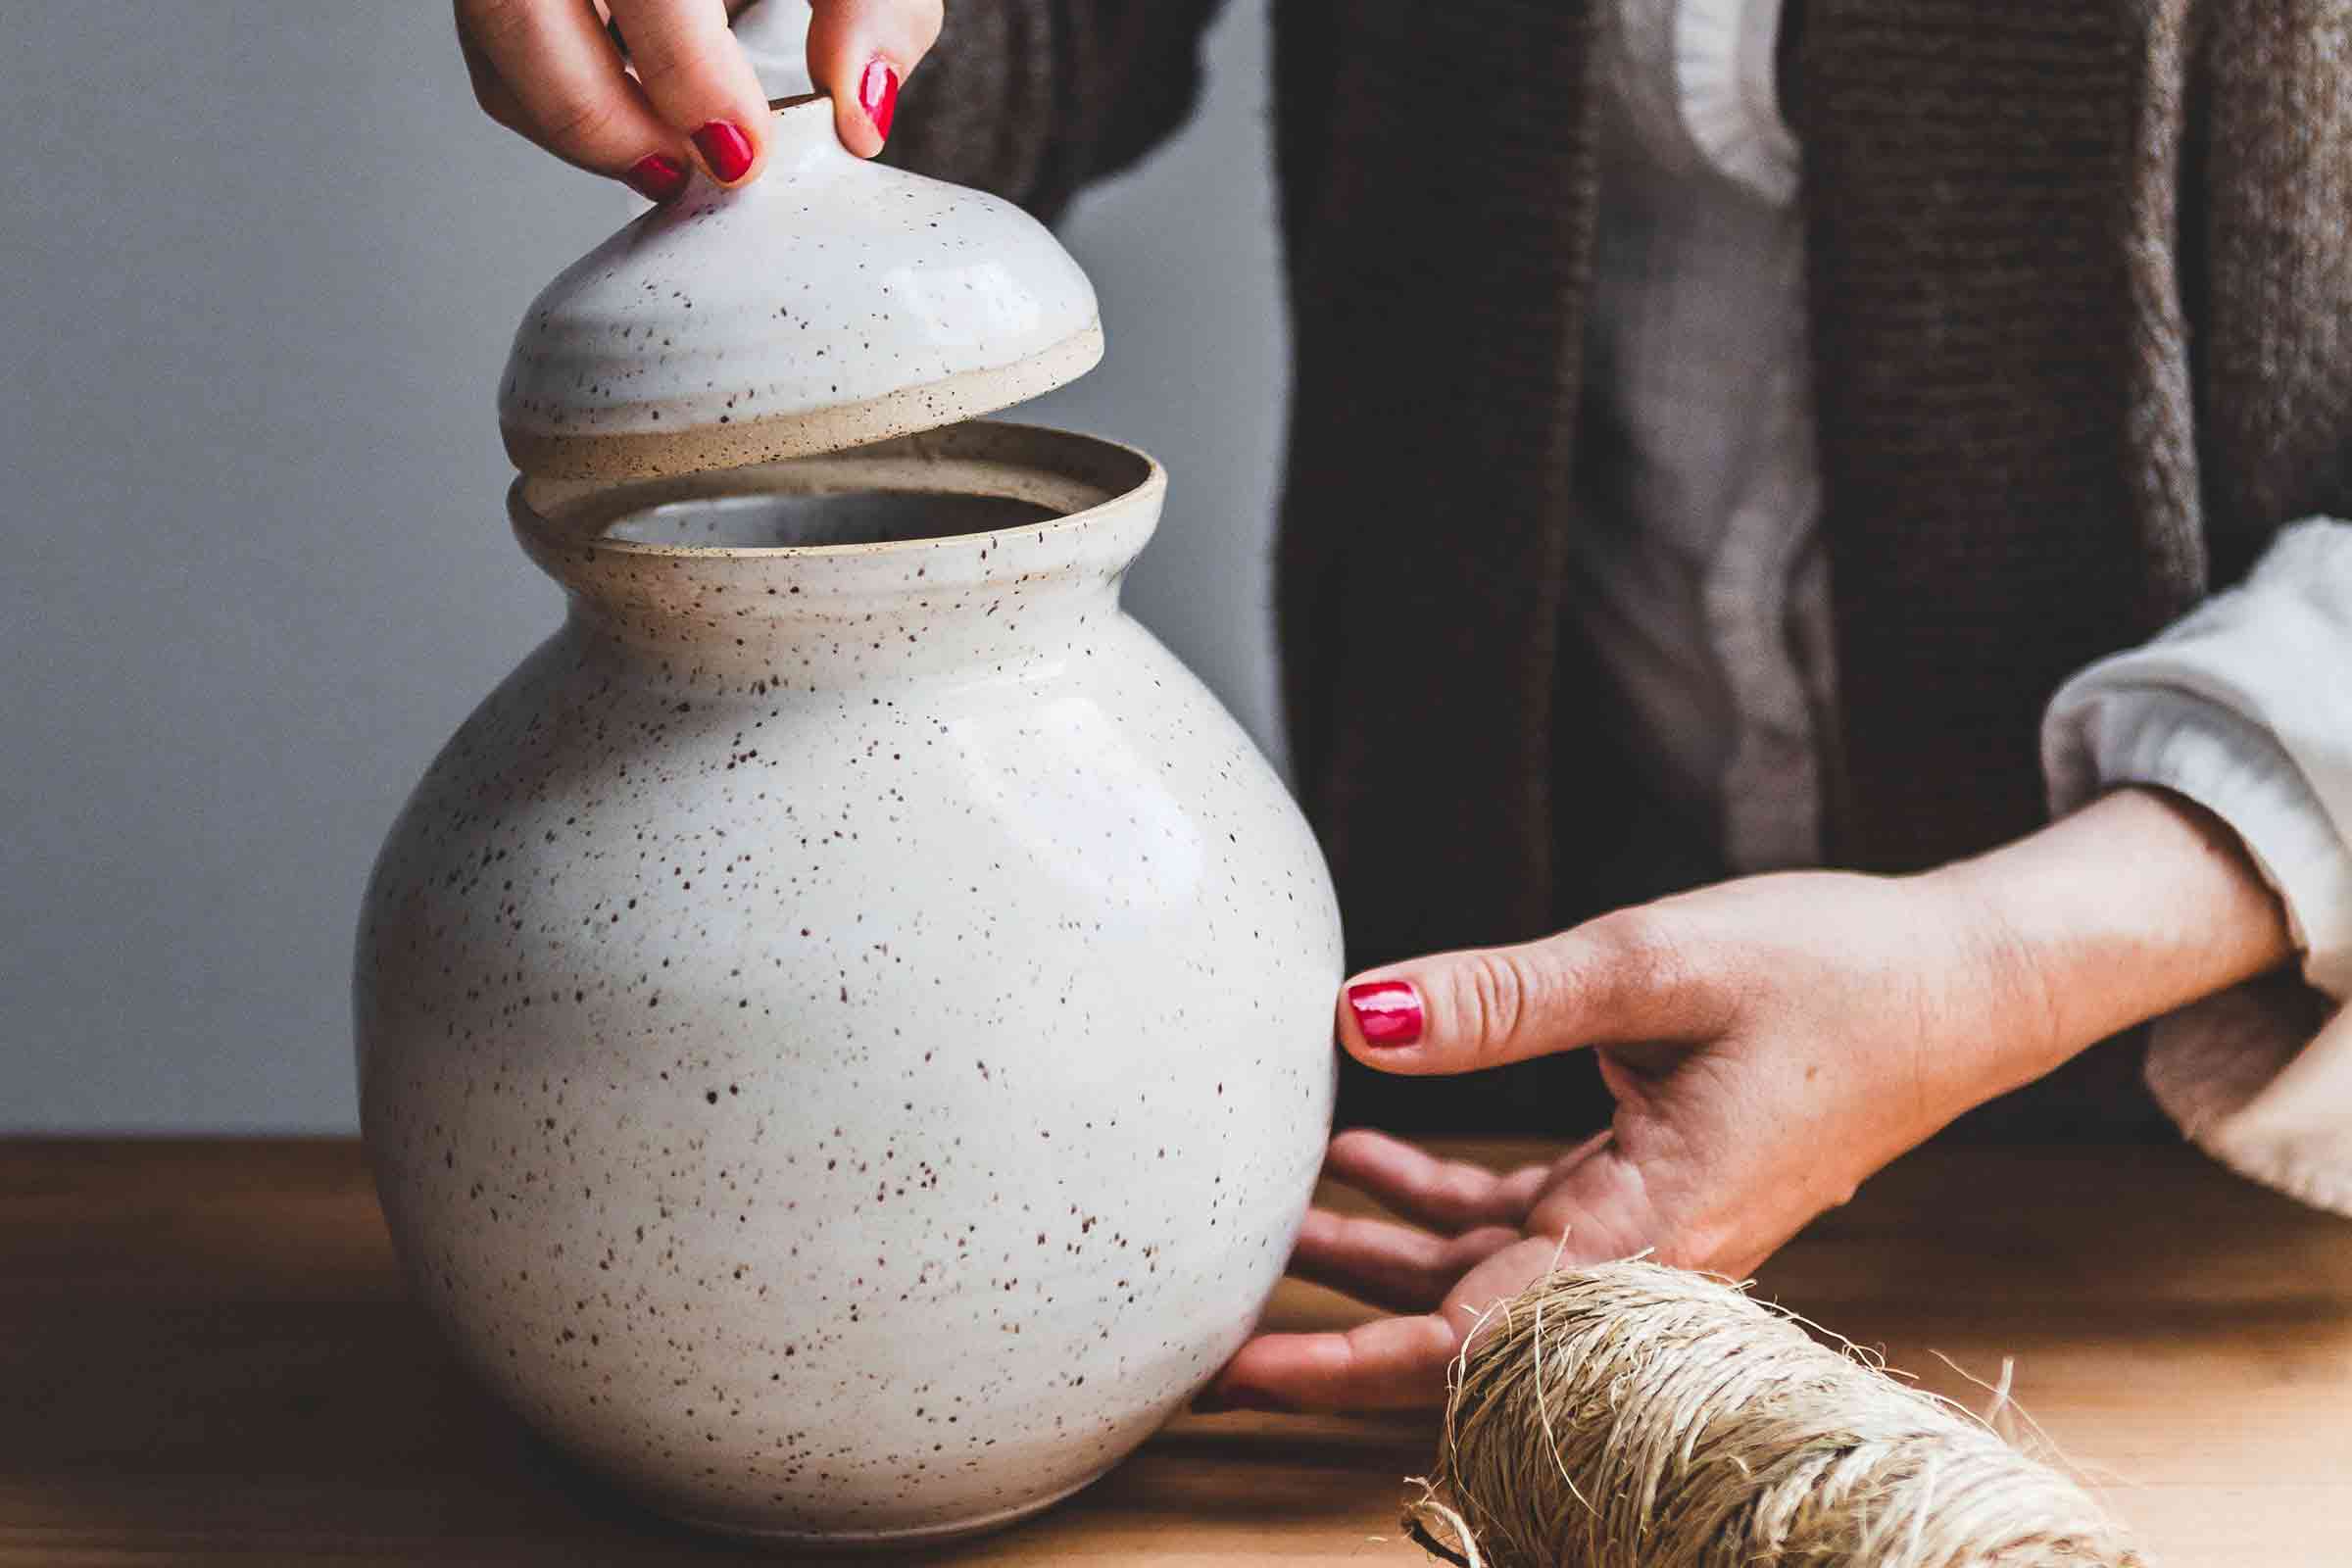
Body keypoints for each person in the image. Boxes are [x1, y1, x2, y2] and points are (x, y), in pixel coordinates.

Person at [453, 0, 2352, 1412]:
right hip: (1505, 1152)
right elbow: (1029, 43)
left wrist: (2008, 952)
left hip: (2222, 1221)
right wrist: (784, 40)